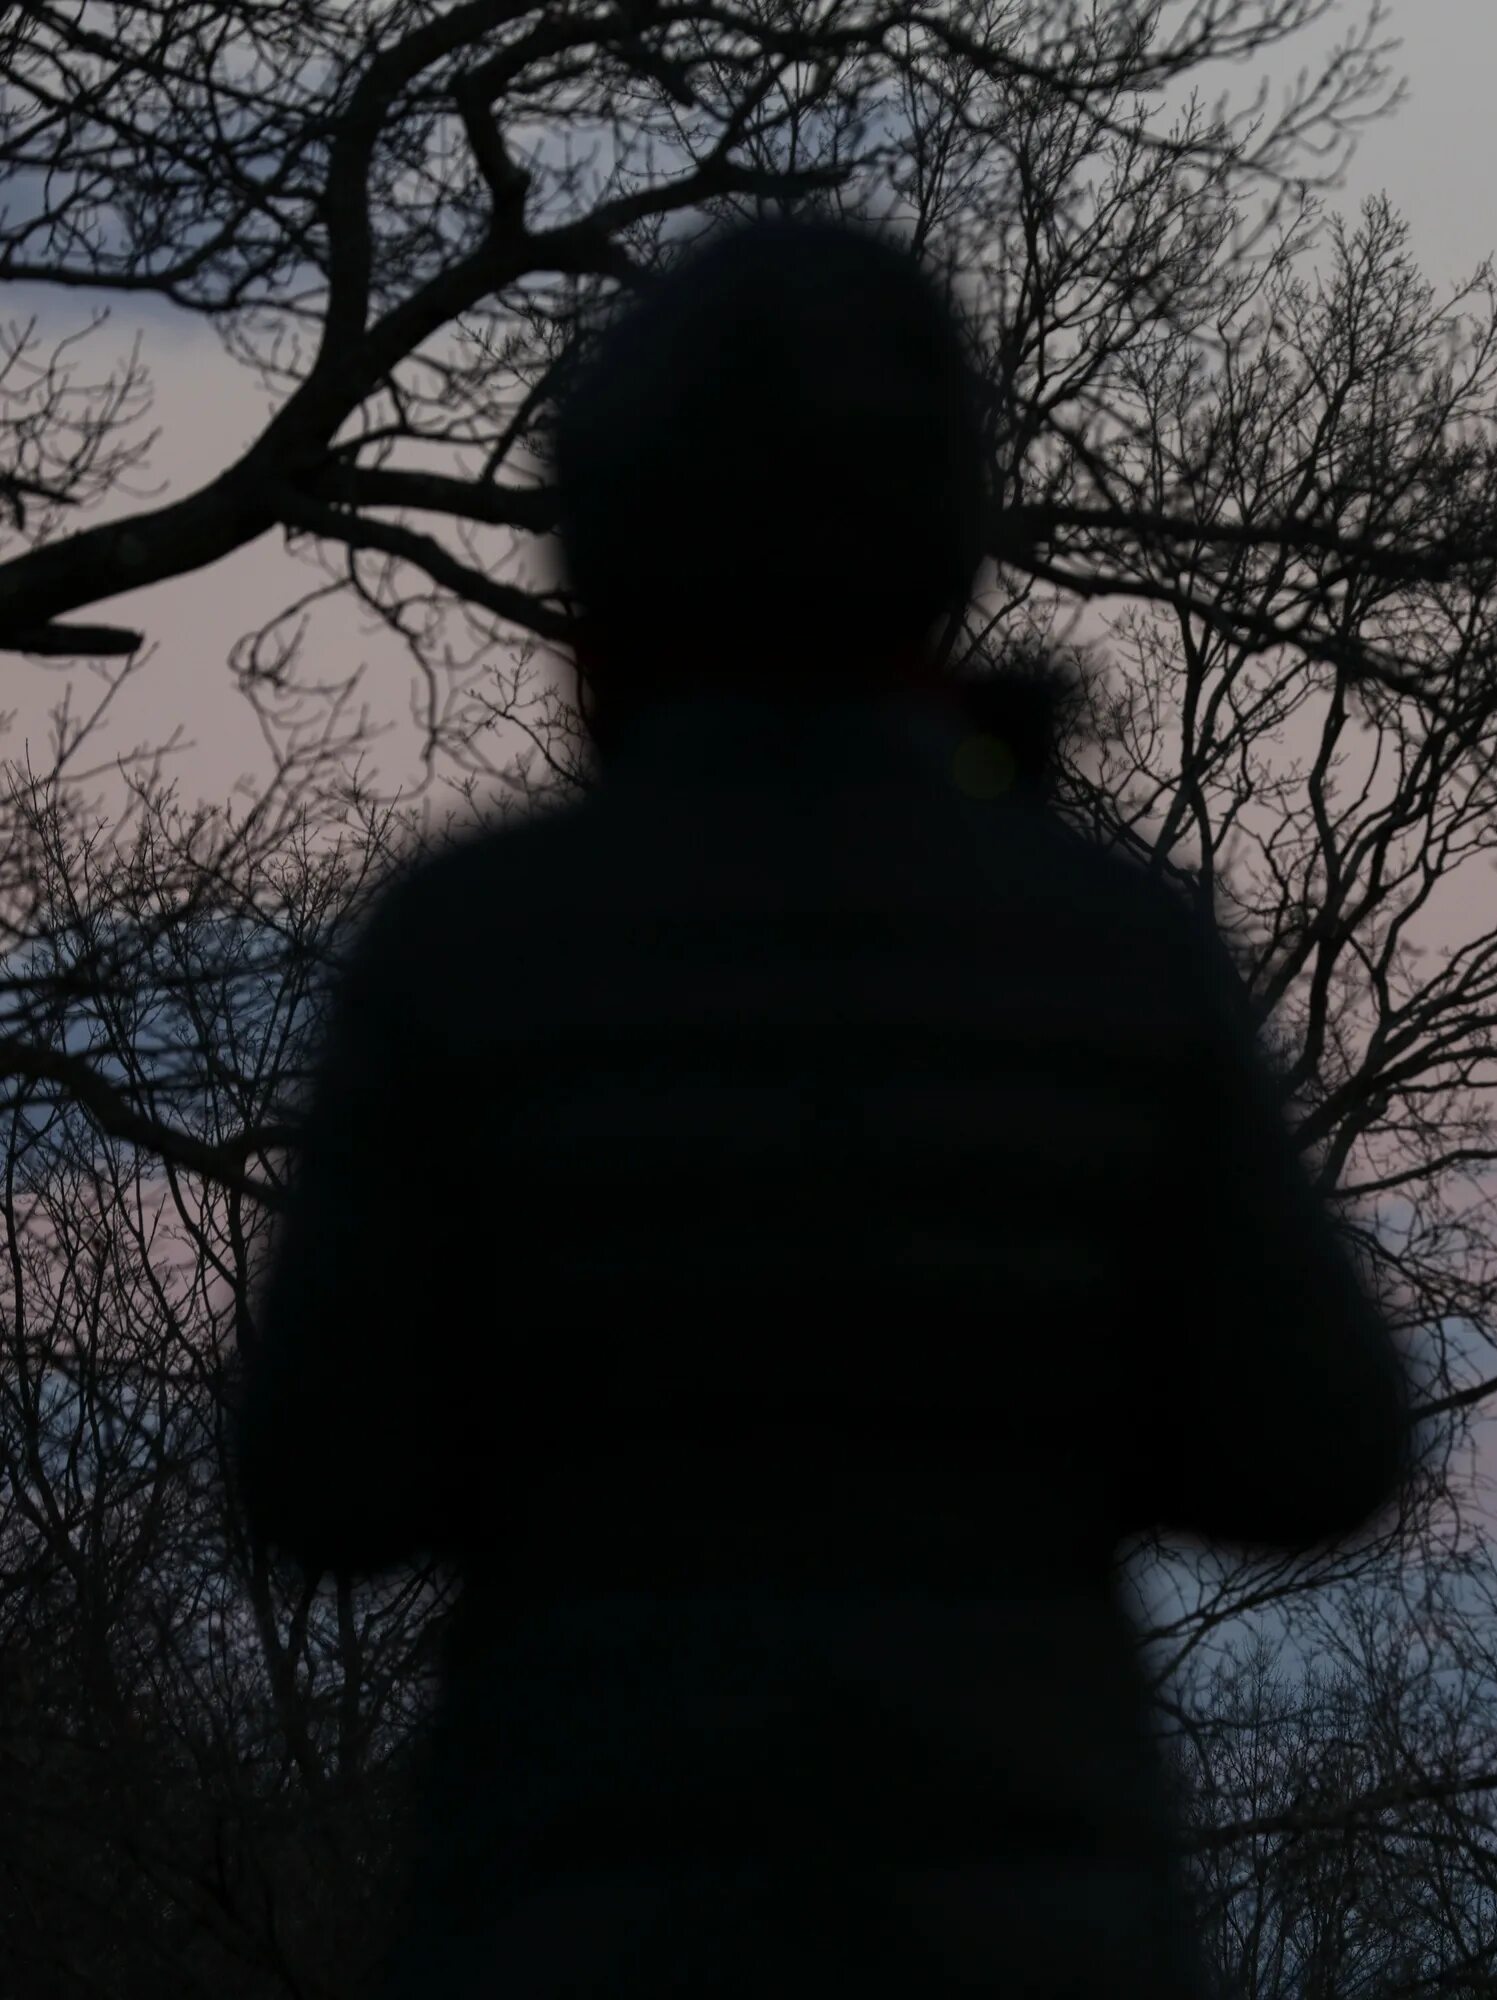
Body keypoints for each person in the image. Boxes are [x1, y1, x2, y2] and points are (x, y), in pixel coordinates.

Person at [227, 211, 1417, 1998]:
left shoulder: (472, 951)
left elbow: (319, 1475)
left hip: (574, 1932)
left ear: (607, 556)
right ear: (939, 542)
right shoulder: (1105, 948)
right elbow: (1321, 1448)